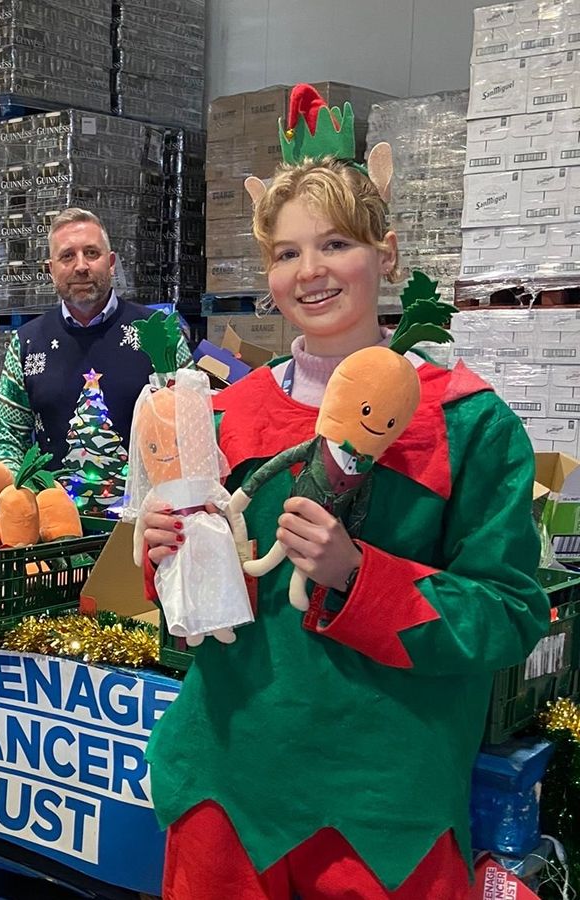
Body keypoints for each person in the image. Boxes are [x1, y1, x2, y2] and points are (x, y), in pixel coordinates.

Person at [139, 84, 550, 900]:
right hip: (228, 787)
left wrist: (360, 577)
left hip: (385, 811)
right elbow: (200, 615)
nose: (311, 271)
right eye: (287, 253)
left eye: (336, 244)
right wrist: (164, 560)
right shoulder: (221, 414)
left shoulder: (468, 425)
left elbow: (509, 613)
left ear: (387, 254)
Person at [0, 207, 174, 515]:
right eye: (67, 256)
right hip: (54, 532)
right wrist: (25, 495)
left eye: (91, 253)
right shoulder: (27, 343)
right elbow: (6, 437)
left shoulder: (159, 334)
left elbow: (192, 430)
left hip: (146, 531)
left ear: (111, 263)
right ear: (51, 269)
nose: (81, 266)